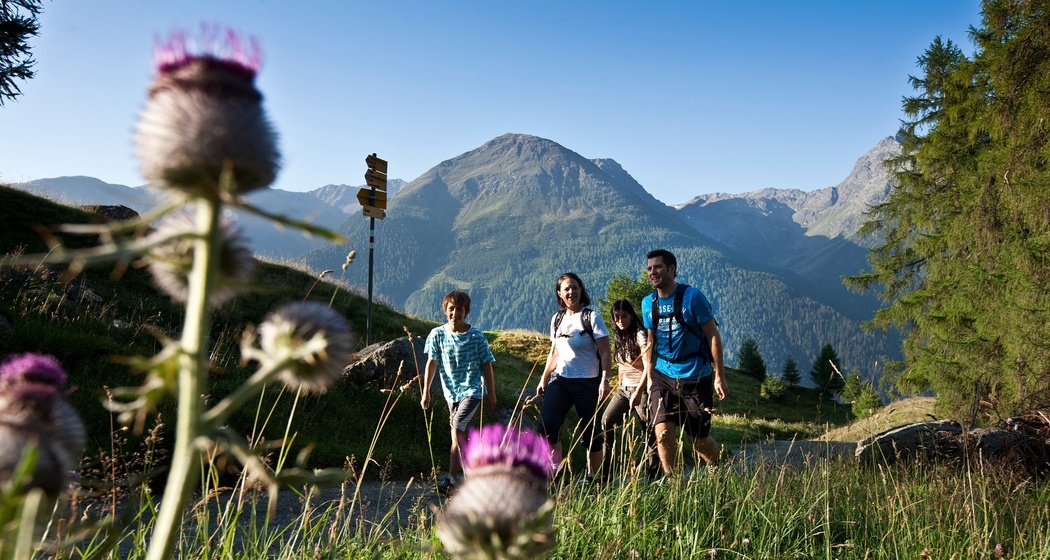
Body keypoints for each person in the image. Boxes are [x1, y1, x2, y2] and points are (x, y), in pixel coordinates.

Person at [641, 249, 728, 475]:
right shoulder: (647, 303)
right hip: (662, 374)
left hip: (695, 376)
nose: (653, 272)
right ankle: (674, 484)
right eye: (649, 268)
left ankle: (718, 464)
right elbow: (651, 341)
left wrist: (720, 375)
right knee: (662, 433)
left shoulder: (693, 297)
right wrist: (650, 376)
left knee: (698, 440)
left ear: (672, 268)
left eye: (658, 267)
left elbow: (713, 335)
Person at [536, 272, 612, 483]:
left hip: (588, 382)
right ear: (560, 294)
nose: (571, 292)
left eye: (575, 287)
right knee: (546, 428)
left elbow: (605, 352)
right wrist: (544, 378)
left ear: (581, 290)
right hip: (560, 380)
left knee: (592, 435)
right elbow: (555, 351)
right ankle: (557, 475)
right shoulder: (557, 319)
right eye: (567, 289)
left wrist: (605, 380)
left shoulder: (591, 317)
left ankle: (594, 480)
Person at [421, 290, 497, 492]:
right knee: (458, 436)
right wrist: (425, 391)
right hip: (450, 394)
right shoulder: (437, 335)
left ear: (467, 311)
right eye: (451, 309)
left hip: (473, 391)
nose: (456, 313)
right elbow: (432, 363)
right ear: (445, 311)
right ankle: (452, 481)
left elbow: (487, 364)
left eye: (460, 309)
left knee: (456, 428)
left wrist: (492, 392)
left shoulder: (476, 336)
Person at [599, 299, 660, 481]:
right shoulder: (619, 336)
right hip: (623, 389)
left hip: (641, 388)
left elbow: (649, 364)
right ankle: (606, 474)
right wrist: (617, 385)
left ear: (631, 316)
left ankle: (654, 477)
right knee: (606, 422)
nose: (620, 320)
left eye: (624, 316)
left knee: (649, 432)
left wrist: (639, 391)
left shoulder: (640, 335)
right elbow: (621, 365)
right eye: (616, 317)